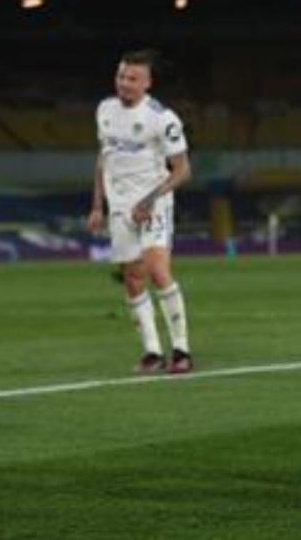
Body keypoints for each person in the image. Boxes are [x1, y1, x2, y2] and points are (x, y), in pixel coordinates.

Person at [87, 49, 194, 374]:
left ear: (147, 83)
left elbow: (182, 170)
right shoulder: (105, 110)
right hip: (120, 206)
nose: (125, 83)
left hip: (154, 201)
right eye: (121, 76)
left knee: (157, 269)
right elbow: (103, 159)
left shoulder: (162, 118)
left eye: (133, 78)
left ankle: (181, 350)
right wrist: (97, 205)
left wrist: (150, 198)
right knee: (132, 278)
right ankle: (152, 352)